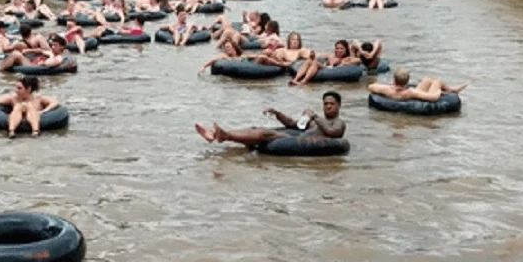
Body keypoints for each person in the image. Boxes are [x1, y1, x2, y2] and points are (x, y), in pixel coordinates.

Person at [194, 92, 347, 148]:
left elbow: (332, 132)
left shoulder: (338, 122)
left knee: (264, 134)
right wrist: (277, 113)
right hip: (296, 137)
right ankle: (215, 134)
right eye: (326, 103)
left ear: (338, 105)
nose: (328, 106)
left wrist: (314, 116)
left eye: (331, 104)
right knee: (256, 128)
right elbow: (292, 124)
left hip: (300, 142)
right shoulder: (314, 120)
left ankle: (224, 136)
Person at [369, 68, 467, 102]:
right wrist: (438, 91)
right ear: (407, 81)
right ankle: (452, 90)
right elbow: (432, 98)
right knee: (437, 81)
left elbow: (371, 86)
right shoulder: (411, 92)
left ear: (394, 80)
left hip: (398, 92)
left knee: (426, 80)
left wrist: (391, 87)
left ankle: (450, 89)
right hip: (411, 97)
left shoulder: (388, 90)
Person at [0, 35, 71, 73]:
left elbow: (48, 63)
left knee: (16, 54)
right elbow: (40, 50)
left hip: (33, 66)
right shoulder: (51, 52)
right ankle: (3, 68)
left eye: (55, 45)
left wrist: (50, 56)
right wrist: (28, 50)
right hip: (32, 63)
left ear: (61, 47)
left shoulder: (59, 57)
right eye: (52, 45)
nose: (52, 47)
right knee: (16, 52)